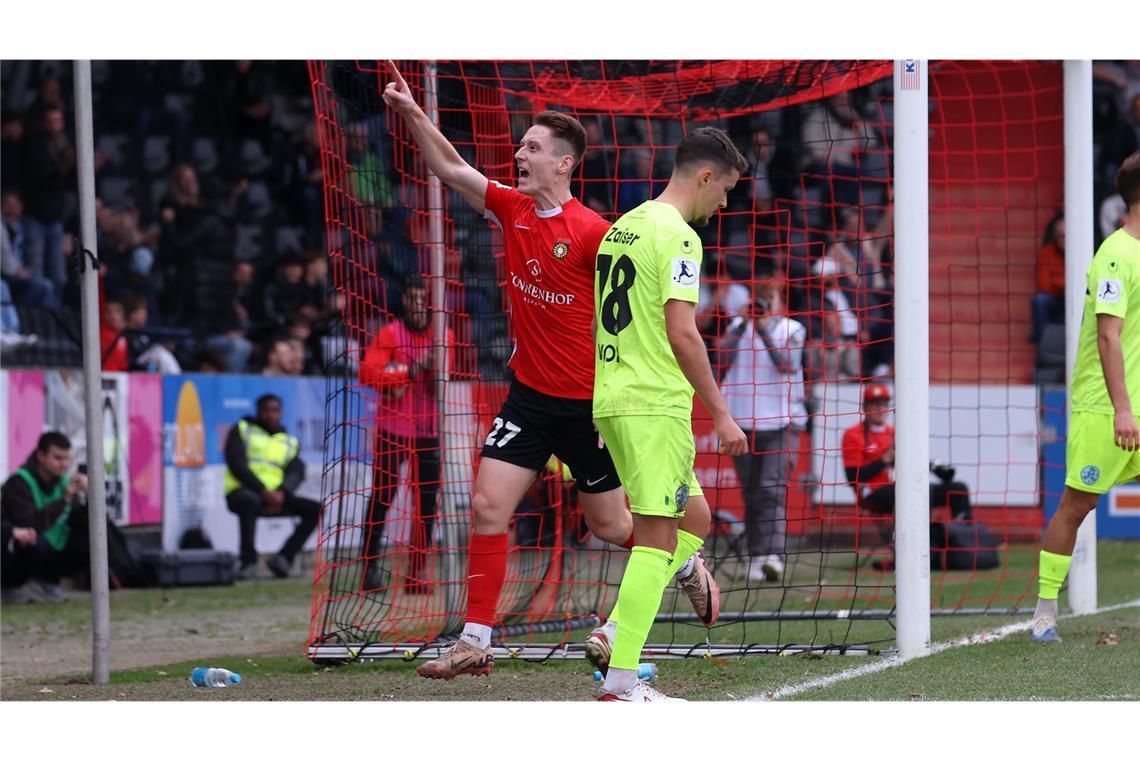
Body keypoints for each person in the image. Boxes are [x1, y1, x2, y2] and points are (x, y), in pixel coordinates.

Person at [380, 61, 720, 681]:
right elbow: (451, 168)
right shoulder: (510, 208)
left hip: (591, 408)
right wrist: (411, 113)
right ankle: (475, 640)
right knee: (486, 506)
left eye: (533, 147)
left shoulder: (596, 234)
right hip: (529, 398)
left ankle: (686, 565)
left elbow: (636, 311)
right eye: (521, 144)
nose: (520, 152)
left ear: (564, 163)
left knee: (614, 525)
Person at [591, 127, 749, 702]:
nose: (725, 203)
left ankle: (615, 630)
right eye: (726, 189)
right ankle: (621, 684)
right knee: (655, 543)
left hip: (615, 395)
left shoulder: (622, 227)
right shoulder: (679, 236)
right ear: (705, 176)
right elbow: (683, 333)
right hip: (654, 403)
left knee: (697, 521)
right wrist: (723, 415)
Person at [1031, 152, 1140, 642]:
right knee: (1077, 506)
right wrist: (1121, 409)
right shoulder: (1116, 254)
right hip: (1106, 406)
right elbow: (1108, 338)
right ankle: (1044, 613)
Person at [358, 276, 453, 593]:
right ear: (404, 303)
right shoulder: (389, 333)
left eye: (421, 299)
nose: (417, 305)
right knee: (382, 498)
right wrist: (410, 371)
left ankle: (416, 574)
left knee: (426, 504)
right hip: (392, 429)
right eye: (411, 299)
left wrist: (433, 369)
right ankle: (369, 569)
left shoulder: (445, 336)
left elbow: (446, 381)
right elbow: (369, 373)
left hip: (429, 429)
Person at [718, 283, 807, 582]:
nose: (761, 307)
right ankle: (757, 555)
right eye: (757, 302)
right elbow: (720, 359)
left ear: (779, 302)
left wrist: (765, 329)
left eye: (767, 301)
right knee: (752, 493)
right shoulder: (737, 327)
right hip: (741, 422)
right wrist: (744, 324)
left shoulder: (793, 329)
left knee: (772, 488)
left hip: (783, 421)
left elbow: (787, 365)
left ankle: (773, 555)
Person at [841, 384, 973, 571]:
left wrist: (934, 468)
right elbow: (852, 476)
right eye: (874, 404)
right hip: (874, 494)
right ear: (865, 408)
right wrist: (883, 461)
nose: (880, 409)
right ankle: (917, 552)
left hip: (904, 488)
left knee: (958, 488)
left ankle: (963, 549)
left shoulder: (896, 431)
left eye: (883, 404)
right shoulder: (852, 434)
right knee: (908, 491)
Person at [223, 394, 321, 580]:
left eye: (275, 411)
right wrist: (262, 491)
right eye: (266, 411)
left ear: (281, 413)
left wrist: (283, 493)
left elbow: (297, 470)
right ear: (259, 412)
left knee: (316, 509)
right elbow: (237, 464)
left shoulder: (288, 441)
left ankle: (284, 557)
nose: (271, 415)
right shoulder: (242, 430)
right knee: (249, 501)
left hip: (277, 495)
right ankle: (248, 562)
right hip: (243, 491)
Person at [1, 432, 89, 604]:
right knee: (35, 542)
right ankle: (11, 585)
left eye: (67, 458)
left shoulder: (65, 482)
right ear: (41, 456)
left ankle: (48, 580)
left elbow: (78, 522)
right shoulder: (19, 482)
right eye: (57, 458)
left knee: (94, 540)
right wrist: (64, 499)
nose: (64, 464)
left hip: (54, 546)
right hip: (20, 549)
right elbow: (29, 526)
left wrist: (89, 497)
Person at [1031, 210, 1065, 343]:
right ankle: (1042, 343)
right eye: (1060, 236)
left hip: (1080, 298)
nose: (1063, 240)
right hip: (1057, 299)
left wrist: (1057, 282)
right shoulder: (1047, 252)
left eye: (1066, 236)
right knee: (1040, 300)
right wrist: (1065, 286)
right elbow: (1043, 285)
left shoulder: (1083, 250)